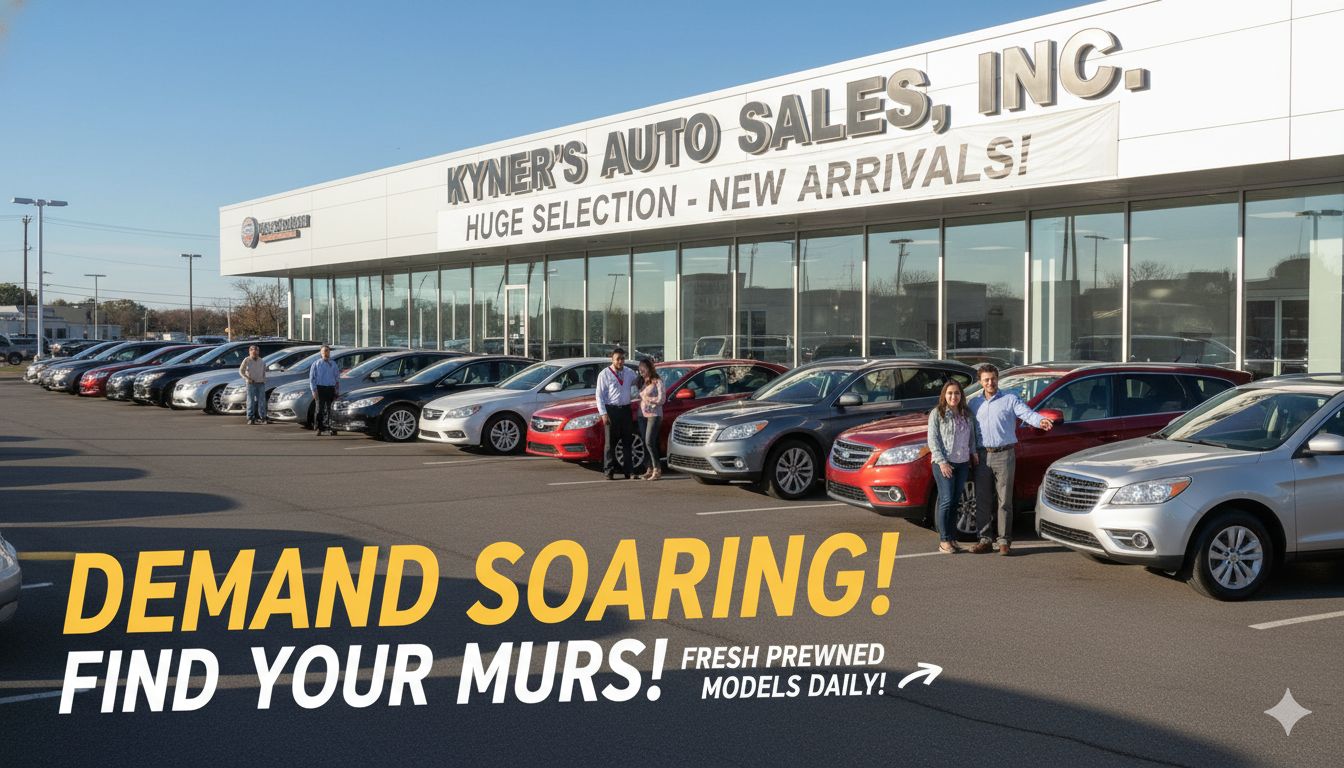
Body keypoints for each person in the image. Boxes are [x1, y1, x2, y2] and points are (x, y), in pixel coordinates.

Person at [969, 363, 1053, 555]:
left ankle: (1004, 540)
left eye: (993, 378)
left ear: (997, 379)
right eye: (986, 380)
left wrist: (1040, 420)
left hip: (1005, 454)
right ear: (981, 382)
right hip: (982, 456)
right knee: (982, 500)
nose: (990, 382)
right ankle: (984, 539)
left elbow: (1026, 413)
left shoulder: (1010, 399)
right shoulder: (974, 404)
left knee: (1004, 500)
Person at [927, 379, 981, 553]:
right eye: (950, 393)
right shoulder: (938, 413)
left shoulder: (966, 413)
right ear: (944, 395)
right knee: (946, 500)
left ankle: (952, 538)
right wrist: (942, 462)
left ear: (961, 395)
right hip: (944, 463)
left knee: (955, 501)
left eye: (957, 393)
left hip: (963, 462)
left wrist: (973, 453)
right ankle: (944, 540)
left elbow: (971, 437)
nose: (953, 396)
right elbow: (933, 440)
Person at [596, 347, 638, 480]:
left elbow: (639, 382)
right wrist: (603, 413)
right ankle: (609, 470)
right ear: (612, 360)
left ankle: (629, 471)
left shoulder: (629, 372)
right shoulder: (605, 374)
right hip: (611, 410)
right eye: (617, 359)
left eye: (622, 359)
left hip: (625, 410)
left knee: (627, 441)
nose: (620, 361)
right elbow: (599, 395)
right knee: (610, 443)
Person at [636, 358, 666, 481]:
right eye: (640, 368)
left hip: (654, 415)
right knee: (644, 442)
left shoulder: (657, 381)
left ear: (650, 368)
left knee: (649, 441)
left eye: (643, 367)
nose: (641, 370)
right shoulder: (642, 382)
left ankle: (657, 469)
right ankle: (648, 468)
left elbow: (662, 399)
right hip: (642, 415)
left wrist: (648, 399)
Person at [309, 345, 341, 437]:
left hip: (331, 389)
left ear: (329, 352)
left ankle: (331, 428)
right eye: (324, 351)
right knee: (319, 409)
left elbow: (337, 378)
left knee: (330, 409)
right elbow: (312, 379)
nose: (326, 353)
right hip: (320, 389)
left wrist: (337, 390)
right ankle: (319, 428)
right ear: (321, 353)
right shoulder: (316, 364)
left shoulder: (333, 364)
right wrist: (313, 390)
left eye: (327, 351)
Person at [238, 345, 267, 425]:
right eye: (253, 351)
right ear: (249, 351)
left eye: (256, 351)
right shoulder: (247, 360)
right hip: (251, 383)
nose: (255, 353)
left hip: (260, 383)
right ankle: (250, 418)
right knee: (250, 401)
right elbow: (241, 371)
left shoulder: (261, 361)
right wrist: (247, 378)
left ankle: (263, 417)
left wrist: (264, 379)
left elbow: (264, 371)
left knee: (262, 401)